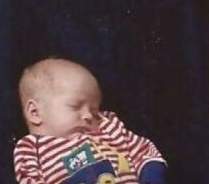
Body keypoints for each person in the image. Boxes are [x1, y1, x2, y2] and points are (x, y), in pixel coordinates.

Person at [14, 57, 166, 184]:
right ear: (35, 112)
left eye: (94, 110)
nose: (88, 116)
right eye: (75, 106)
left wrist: (151, 174)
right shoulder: (31, 149)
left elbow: (145, 150)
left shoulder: (108, 127)